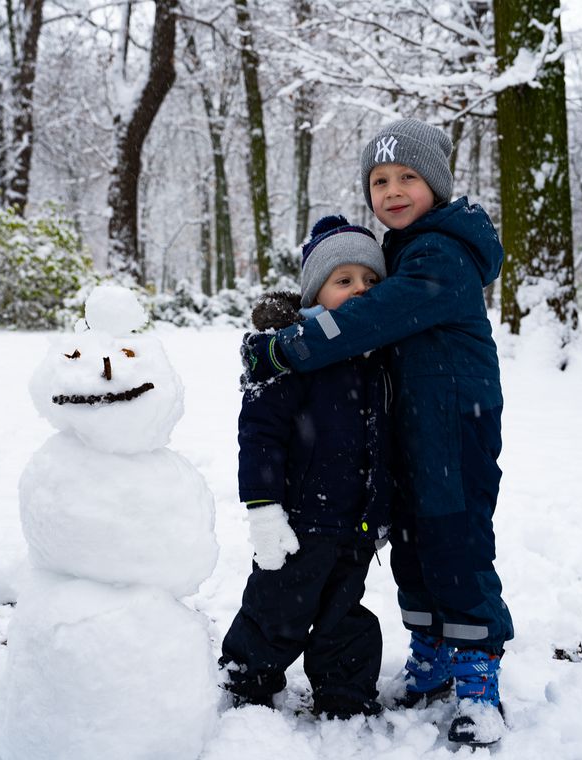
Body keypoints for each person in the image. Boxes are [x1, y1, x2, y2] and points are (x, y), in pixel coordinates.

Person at [240, 118, 514, 746]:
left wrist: (288, 347)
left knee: (457, 540)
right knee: (416, 539)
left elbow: (370, 317)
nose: (392, 191)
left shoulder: (440, 253)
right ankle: (433, 652)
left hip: (456, 426)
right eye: (380, 180)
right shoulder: (398, 249)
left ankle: (477, 678)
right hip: (413, 428)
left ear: (437, 185)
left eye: (408, 177)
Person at [220, 215, 392, 720]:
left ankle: (345, 691)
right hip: (299, 521)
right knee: (277, 608)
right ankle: (246, 679)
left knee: (345, 615)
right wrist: (263, 508)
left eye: (370, 280)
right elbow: (260, 436)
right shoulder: (292, 353)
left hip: (355, 524)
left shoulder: (378, 357)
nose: (360, 290)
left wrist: (383, 505)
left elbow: (384, 441)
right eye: (344, 281)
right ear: (315, 293)